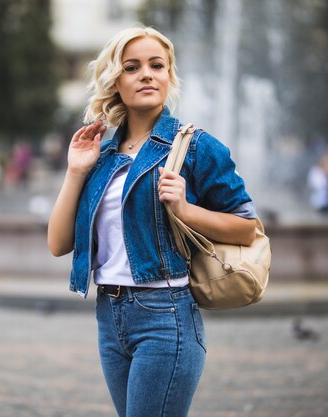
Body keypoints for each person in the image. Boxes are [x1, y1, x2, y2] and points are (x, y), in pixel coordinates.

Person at [47, 26, 257, 417]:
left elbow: (248, 228)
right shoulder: (103, 155)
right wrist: (75, 171)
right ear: (115, 80)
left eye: (157, 65)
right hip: (109, 316)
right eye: (132, 67)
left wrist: (185, 210)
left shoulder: (196, 146)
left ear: (168, 76)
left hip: (166, 317)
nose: (147, 74)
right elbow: (58, 244)